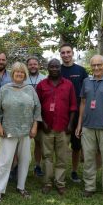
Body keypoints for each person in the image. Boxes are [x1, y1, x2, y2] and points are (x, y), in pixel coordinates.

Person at [0, 62, 42, 202]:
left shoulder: (30, 90)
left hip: (26, 131)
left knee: (25, 160)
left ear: (25, 74)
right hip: (8, 130)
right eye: (16, 72)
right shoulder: (4, 89)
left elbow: (37, 109)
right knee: (5, 161)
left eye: (22, 72)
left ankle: (21, 186)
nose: (19, 74)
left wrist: (34, 127)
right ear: (12, 74)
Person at [75, 55, 103, 203]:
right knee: (88, 158)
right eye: (93, 65)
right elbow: (82, 103)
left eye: (99, 65)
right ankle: (89, 187)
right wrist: (79, 124)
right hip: (88, 127)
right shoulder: (86, 81)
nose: (96, 68)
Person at [36, 59, 77, 196]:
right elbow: (37, 107)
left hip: (63, 128)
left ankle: (60, 183)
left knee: (62, 157)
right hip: (46, 128)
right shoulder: (41, 85)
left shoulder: (68, 84)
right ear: (47, 68)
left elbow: (73, 107)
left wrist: (71, 124)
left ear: (60, 68)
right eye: (51, 66)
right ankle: (47, 183)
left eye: (57, 66)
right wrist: (43, 123)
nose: (54, 69)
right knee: (47, 157)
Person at [59, 43, 88, 183]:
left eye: (68, 52)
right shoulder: (56, 70)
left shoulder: (81, 71)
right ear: (60, 55)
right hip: (61, 115)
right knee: (61, 146)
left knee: (76, 146)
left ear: (72, 53)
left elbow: (87, 94)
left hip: (77, 114)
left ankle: (74, 171)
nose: (66, 55)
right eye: (63, 53)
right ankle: (60, 171)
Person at [24, 56, 46, 177]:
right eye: (30, 64)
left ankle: (38, 165)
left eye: (35, 64)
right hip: (25, 116)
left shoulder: (44, 78)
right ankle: (20, 166)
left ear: (39, 65)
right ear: (27, 66)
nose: (33, 66)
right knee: (22, 143)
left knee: (39, 142)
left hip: (40, 115)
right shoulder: (23, 79)